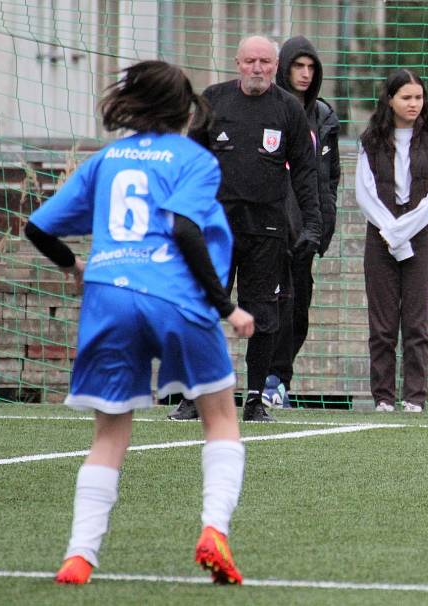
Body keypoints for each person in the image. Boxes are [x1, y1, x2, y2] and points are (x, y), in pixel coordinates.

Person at [24, 60, 254, 585]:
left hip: (107, 296)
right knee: (220, 418)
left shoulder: (105, 161)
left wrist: (74, 267)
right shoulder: (194, 160)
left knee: (109, 434)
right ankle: (214, 530)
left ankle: (79, 555)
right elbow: (185, 230)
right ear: (184, 107)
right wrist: (228, 307)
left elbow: (37, 227)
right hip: (175, 296)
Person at [168, 35, 321, 422]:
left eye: (265, 62)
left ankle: (255, 398)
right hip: (215, 230)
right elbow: (191, 162)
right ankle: (194, 395)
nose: (258, 68)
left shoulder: (288, 109)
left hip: (268, 230)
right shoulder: (214, 100)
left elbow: (305, 171)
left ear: (275, 66)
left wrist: (312, 225)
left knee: (264, 314)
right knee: (203, 308)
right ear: (237, 63)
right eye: (250, 61)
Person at [355, 68, 428, 413]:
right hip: (379, 237)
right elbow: (364, 194)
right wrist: (390, 231)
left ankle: (414, 398)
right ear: (390, 100)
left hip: (419, 238)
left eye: (418, 97)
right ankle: (383, 397)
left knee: (417, 321)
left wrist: (404, 231)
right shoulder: (371, 140)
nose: (413, 104)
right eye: (406, 97)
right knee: (381, 324)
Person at [264, 35, 341, 408]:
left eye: (312, 67)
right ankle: (268, 378)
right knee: (269, 304)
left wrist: (325, 221)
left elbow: (330, 177)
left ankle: (280, 378)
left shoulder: (324, 116)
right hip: (269, 225)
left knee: (299, 308)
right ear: (284, 68)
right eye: (298, 66)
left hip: (307, 229)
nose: (306, 74)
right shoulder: (268, 109)